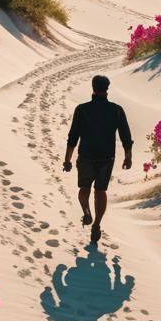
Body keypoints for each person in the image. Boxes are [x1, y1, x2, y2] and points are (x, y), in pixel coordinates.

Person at [63, 74, 133, 245]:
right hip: (106, 158)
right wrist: (128, 156)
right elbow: (125, 135)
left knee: (84, 188)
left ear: (93, 88)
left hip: (86, 156)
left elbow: (73, 136)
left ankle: (86, 212)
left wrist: (68, 160)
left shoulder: (82, 109)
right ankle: (96, 224)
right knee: (100, 191)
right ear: (107, 89)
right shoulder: (116, 110)